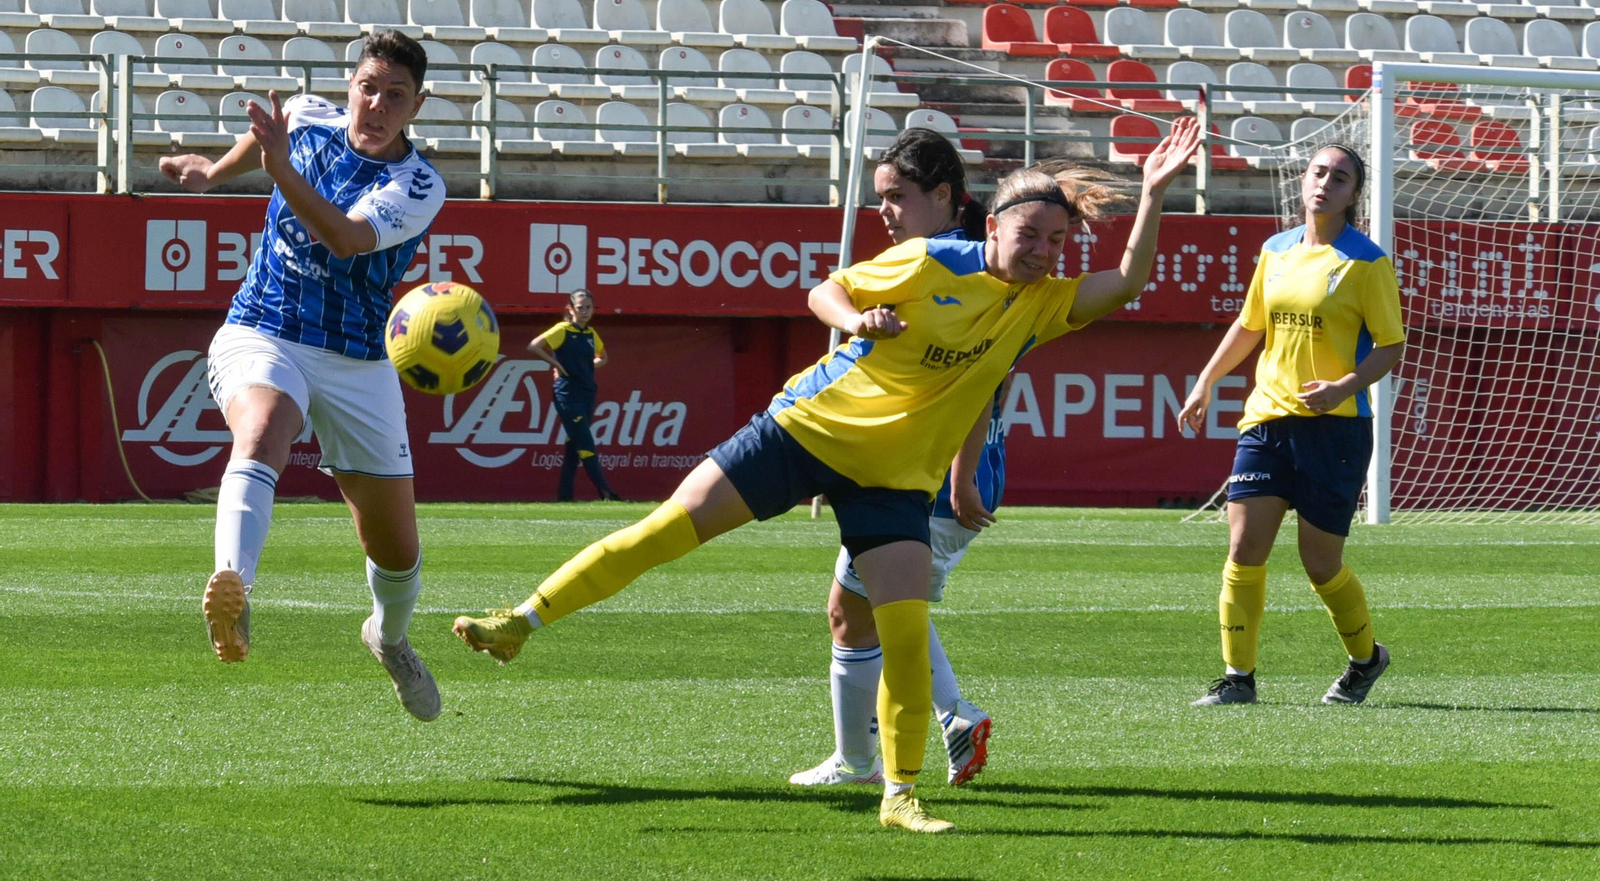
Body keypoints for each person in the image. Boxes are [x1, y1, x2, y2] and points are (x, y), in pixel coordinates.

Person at [453, 118, 1202, 833]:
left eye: (1057, 241)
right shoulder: (931, 259)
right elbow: (824, 292)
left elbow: (1130, 280)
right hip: (804, 431)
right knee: (665, 532)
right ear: (993, 228)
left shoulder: (1042, 306)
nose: (1044, 251)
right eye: (1030, 235)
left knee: (904, 635)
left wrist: (1157, 192)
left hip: (894, 480)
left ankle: (899, 795)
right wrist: (859, 318)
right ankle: (521, 622)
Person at [158, 30, 445, 722]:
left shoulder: (419, 185)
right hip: (264, 328)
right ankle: (234, 584)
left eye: (395, 96)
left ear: (418, 104)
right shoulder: (311, 116)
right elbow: (265, 143)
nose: (376, 105)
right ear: (350, 84)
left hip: (357, 359)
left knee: (397, 552)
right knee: (260, 433)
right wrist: (213, 175)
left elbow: (346, 237)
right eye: (368, 87)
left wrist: (281, 171)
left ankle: (390, 636)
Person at [788, 128, 1002, 790]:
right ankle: (954, 717)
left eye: (897, 196)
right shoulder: (924, 263)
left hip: (936, 474)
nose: (883, 210)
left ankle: (862, 760)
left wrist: (963, 479)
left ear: (942, 195)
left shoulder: (964, 269)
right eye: (878, 196)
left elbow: (984, 384)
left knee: (853, 611)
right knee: (887, 603)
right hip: (917, 466)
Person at [1178, 144, 1405, 708]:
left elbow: (1391, 346)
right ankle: (1238, 679)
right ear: (1304, 182)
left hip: (1336, 430)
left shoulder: (1366, 262)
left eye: (1341, 177)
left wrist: (1343, 388)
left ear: (1355, 195)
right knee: (1243, 548)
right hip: (1266, 420)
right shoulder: (1274, 251)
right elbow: (1249, 323)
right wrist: (1205, 381)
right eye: (1318, 172)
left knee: (1320, 563)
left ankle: (1365, 659)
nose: (1325, 183)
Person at [527, 289, 621, 502]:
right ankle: (606, 492)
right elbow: (534, 346)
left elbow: (603, 357)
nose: (585, 311)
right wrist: (556, 364)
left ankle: (564, 496)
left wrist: (586, 367)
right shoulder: (563, 329)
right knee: (586, 444)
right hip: (568, 394)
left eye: (588, 307)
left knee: (574, 446)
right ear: (571, 309)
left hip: (587, 392)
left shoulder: (590, 334)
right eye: (580, 307)